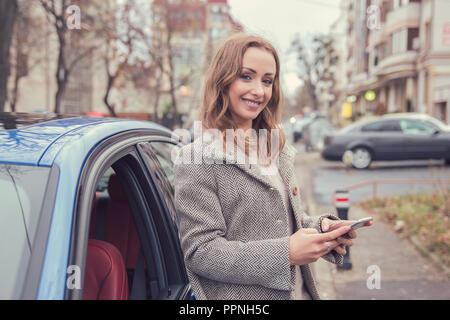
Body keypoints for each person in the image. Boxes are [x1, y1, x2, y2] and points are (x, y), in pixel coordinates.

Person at [173, 33, 369, 300]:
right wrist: (286, 252)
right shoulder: (196, 159)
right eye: (246, 76)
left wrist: (322, 229)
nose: (259, 90)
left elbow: (281, 223)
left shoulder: (276, 148)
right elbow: (201, 252)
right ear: (223, 80)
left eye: (267, 80)